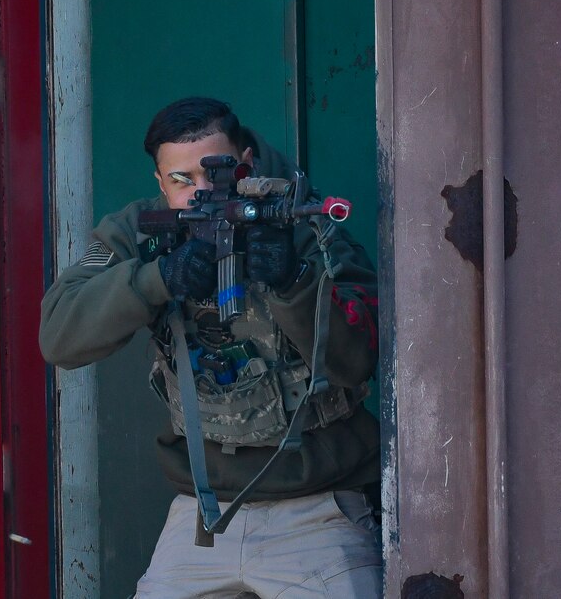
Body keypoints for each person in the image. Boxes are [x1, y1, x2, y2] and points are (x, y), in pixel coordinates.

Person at [39, 97, 382, 598]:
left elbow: (357, 362)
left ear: (244, 162)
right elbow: (60, 334)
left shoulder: (303, 224)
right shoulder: (136, 232)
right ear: (158, 182)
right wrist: (154, 280)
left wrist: (293, 282)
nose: (201, 194)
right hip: (204, 514)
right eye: (181, 182)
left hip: (319, 508)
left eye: (213, 176)